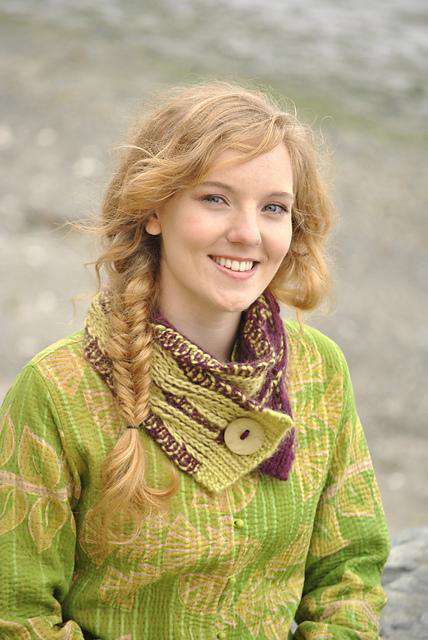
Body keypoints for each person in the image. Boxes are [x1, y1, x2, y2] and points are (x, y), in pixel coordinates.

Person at [0, 80, 391, 640]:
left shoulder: (318, 371)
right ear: (153, 209)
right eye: (215, 198)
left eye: (274, 208)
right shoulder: (57, 391)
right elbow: (16, 614)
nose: (248, 234)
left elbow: (350, 574)